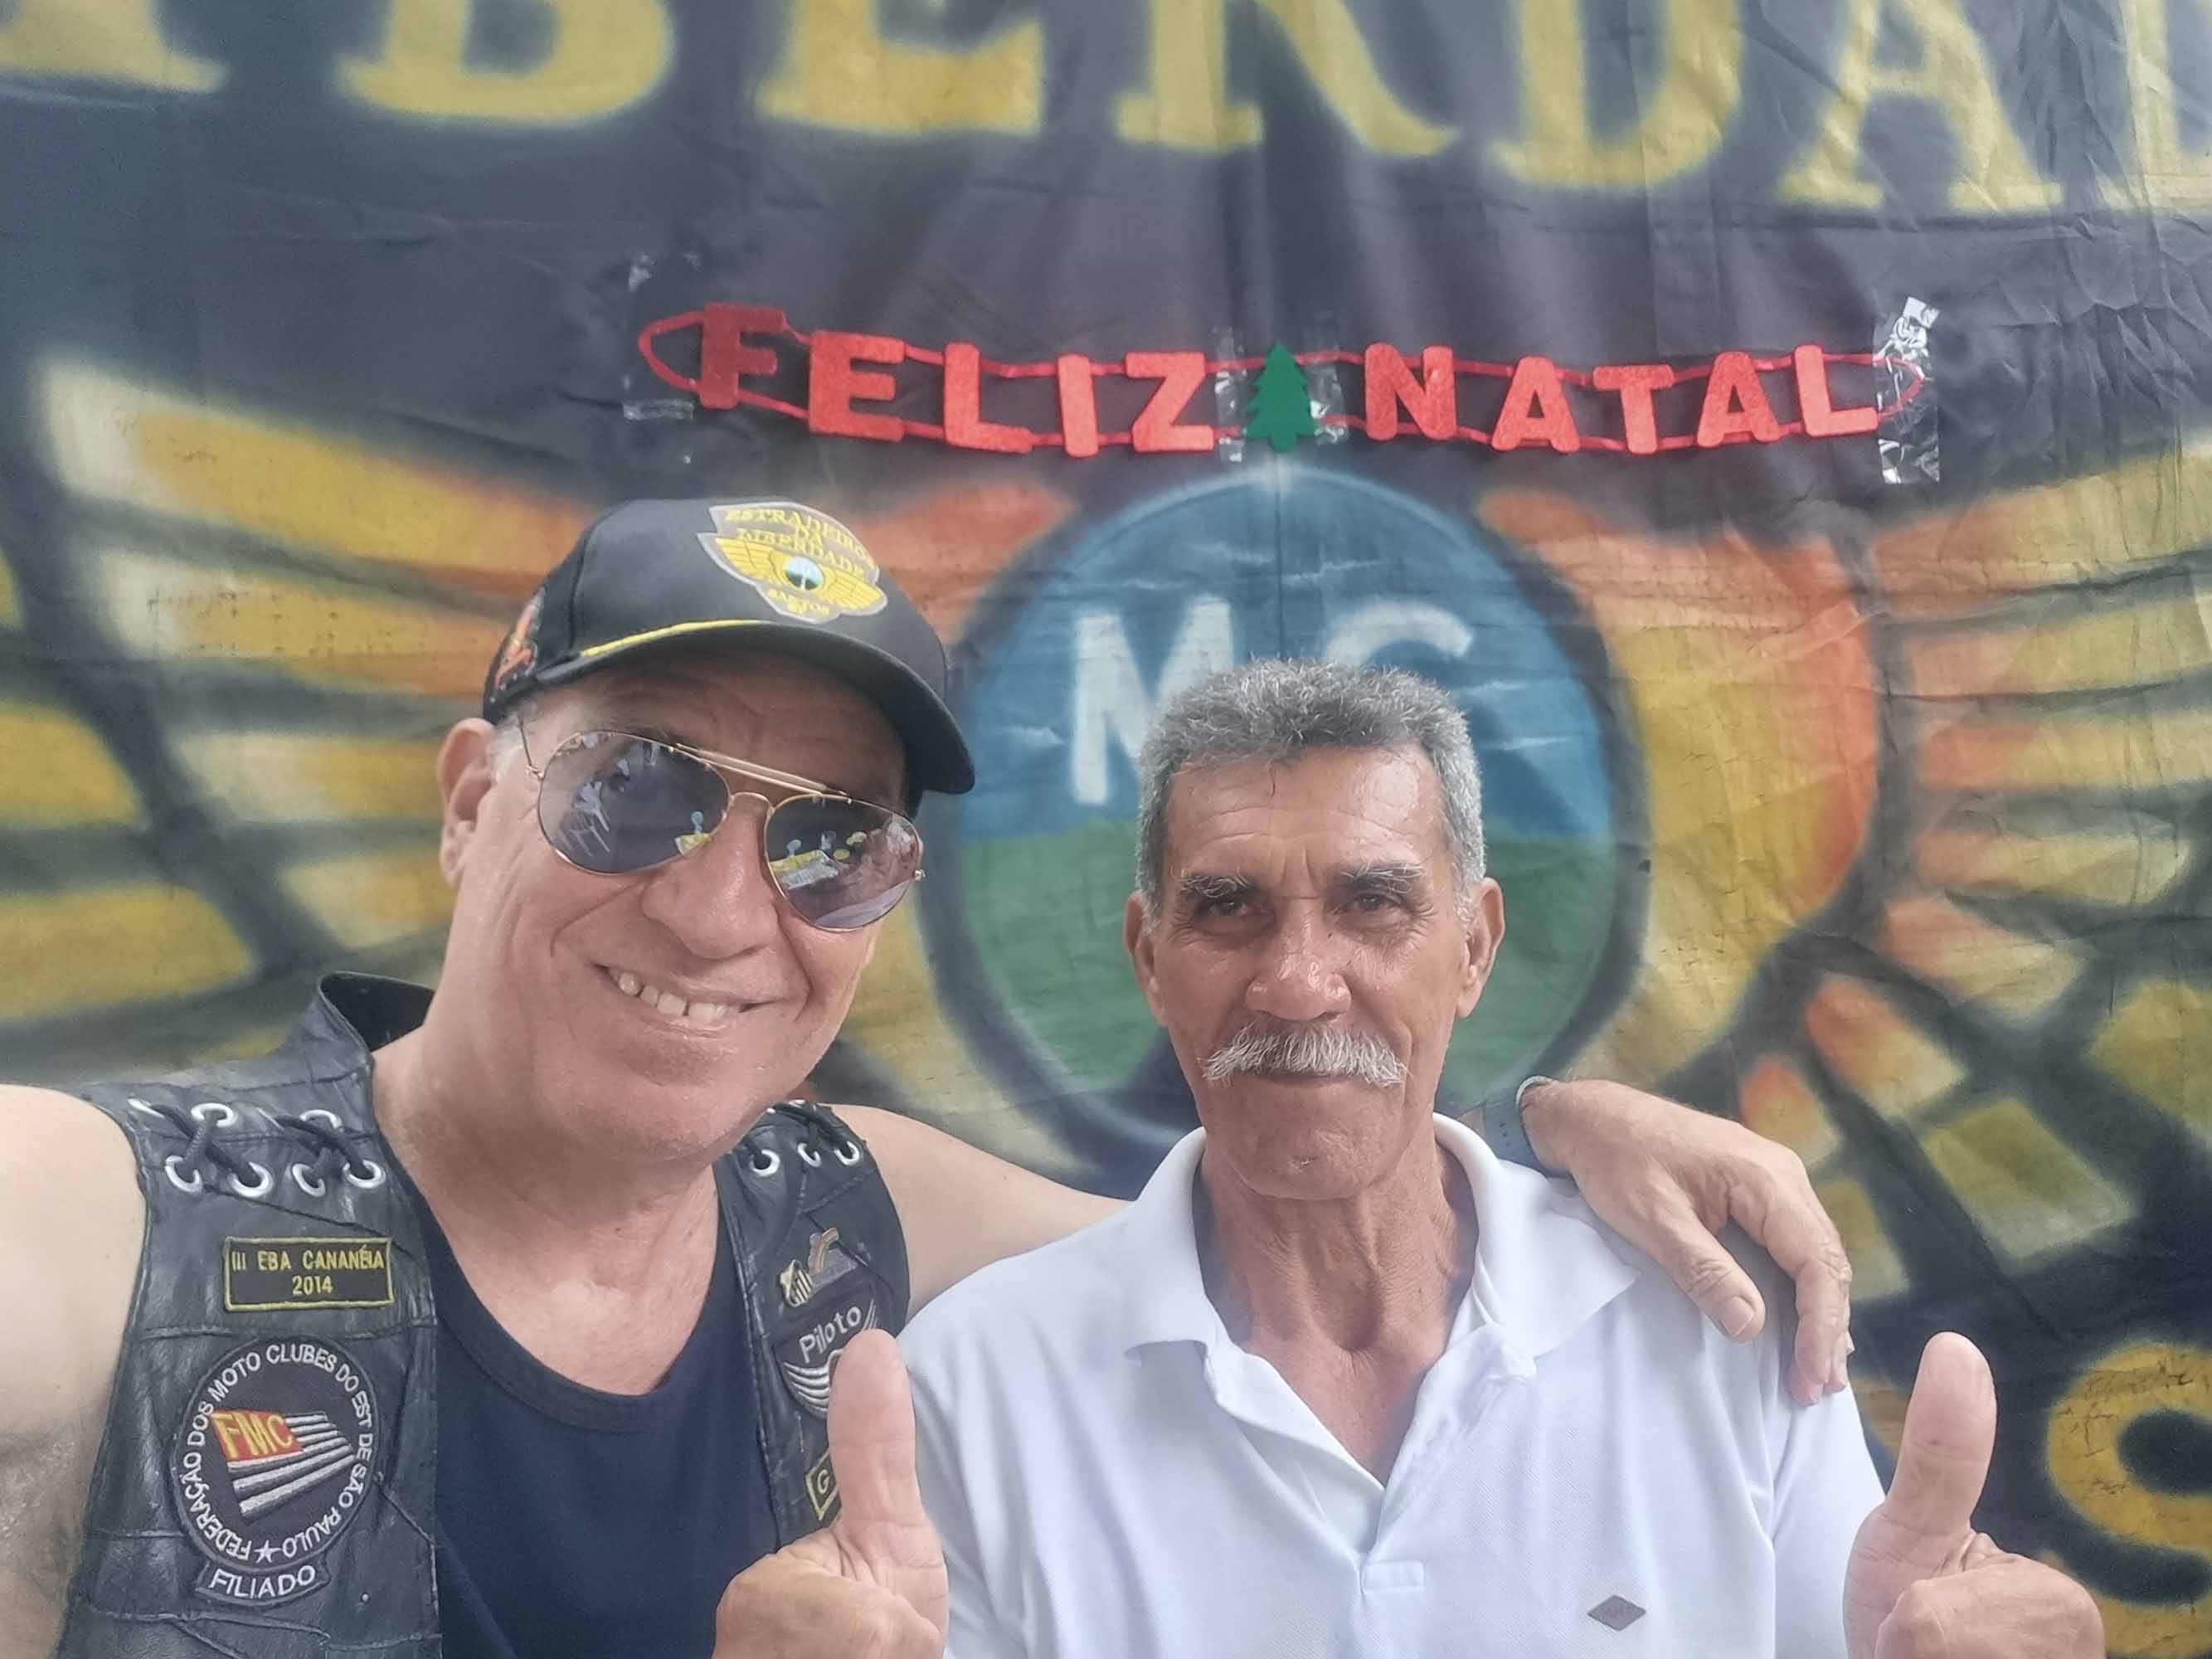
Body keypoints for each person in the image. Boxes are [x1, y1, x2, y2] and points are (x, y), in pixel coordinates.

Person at [2, 500, 1855, 1659]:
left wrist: (1557, 1129)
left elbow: (1295, 1193)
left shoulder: (843, 1209)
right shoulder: (118, 1219)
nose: (722, 907)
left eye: (829, 844)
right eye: (636, 791)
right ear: (474, 798)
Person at [901, 659, 2105, 1659]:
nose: (1300, 983)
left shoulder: (1718, 1325)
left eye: (1374, 904)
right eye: (1228, 909)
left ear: (1474, 948)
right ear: (1149, 958)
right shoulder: (970, 1387)